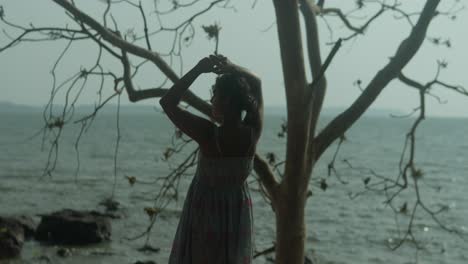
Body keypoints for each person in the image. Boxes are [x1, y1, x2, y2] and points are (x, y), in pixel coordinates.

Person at [159, 54, 263, 264]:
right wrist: (233, 67)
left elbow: (168, 102)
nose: (211, 99)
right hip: (237, 215)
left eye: (215, 94)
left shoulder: (208, 133)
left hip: (205, 214)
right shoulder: (253, 132)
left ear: (227, 101)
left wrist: (198, 69)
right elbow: (257, 82)